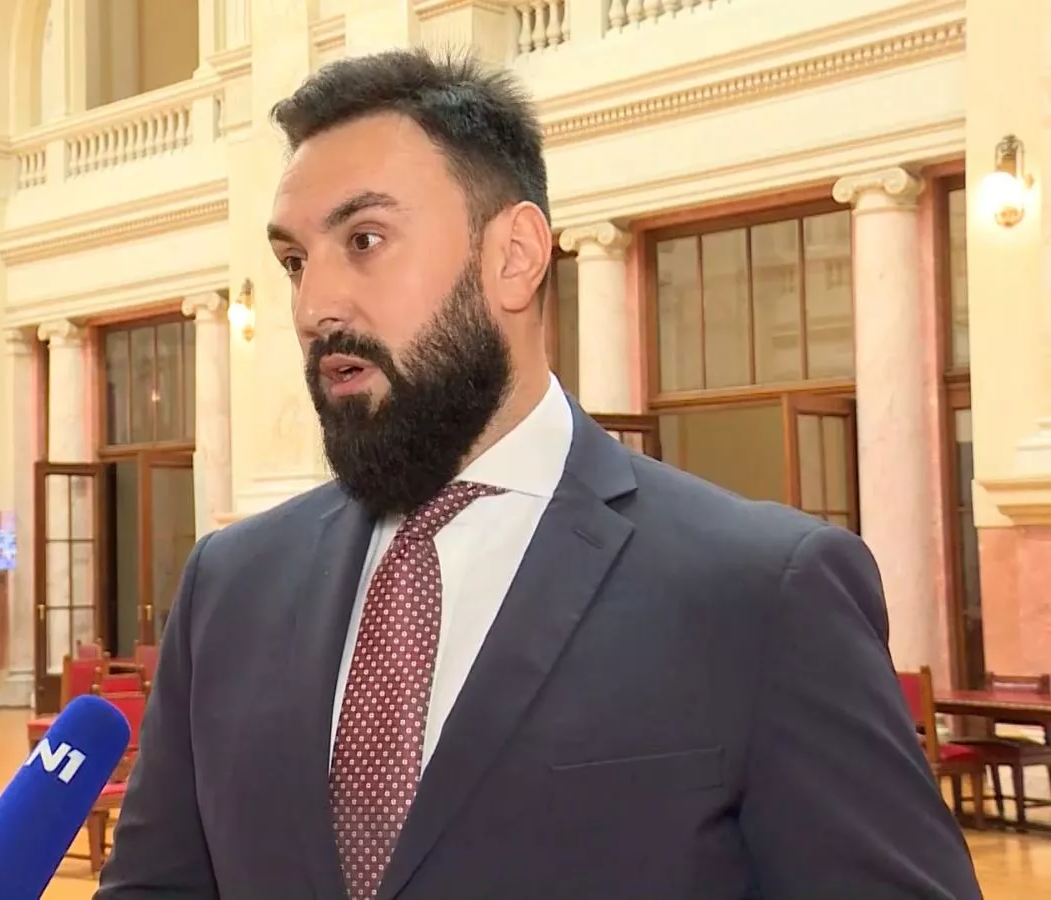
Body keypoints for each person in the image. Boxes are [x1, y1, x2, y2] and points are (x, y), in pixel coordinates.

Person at [94, 49, 984, 900]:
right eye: (295, 261)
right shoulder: (229, 587)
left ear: (514, 256)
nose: (314, 305)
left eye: (364, 240)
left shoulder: (762, 593)